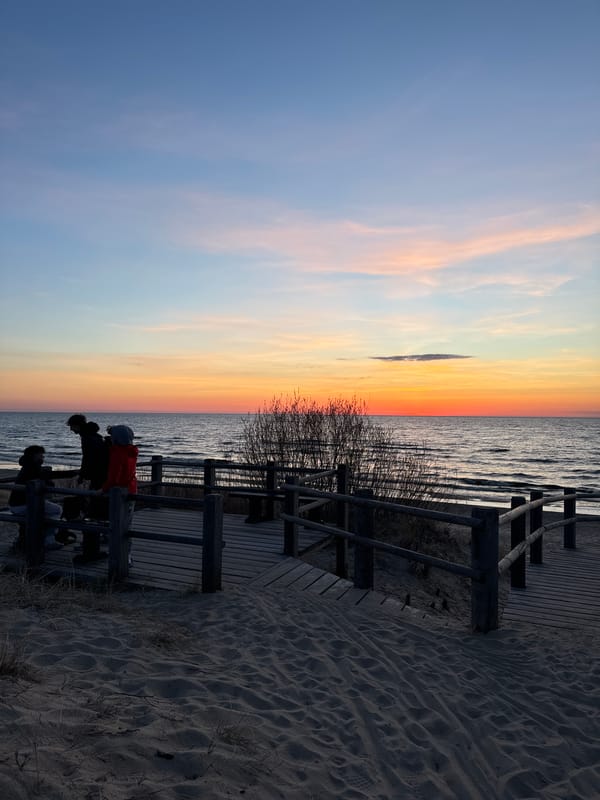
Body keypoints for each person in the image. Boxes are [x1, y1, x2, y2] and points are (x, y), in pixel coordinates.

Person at [9, 445, 62, 552]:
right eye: (41, 455)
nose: (43, 457)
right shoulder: (33, 467)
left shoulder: (27, 465)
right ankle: (49, 540)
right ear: (34, 455)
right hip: (24, 504)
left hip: (15, 504)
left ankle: (29, 539)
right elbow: (47, 476)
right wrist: (75, 473)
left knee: (46, 512)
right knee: (57, 510)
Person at [101, 425, 139, 566]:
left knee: (117, 523)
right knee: (127, 523)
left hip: (119, 493)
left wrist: (103, 489)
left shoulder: (118, 453)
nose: (111, 439)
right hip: (131, 490)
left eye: (112, 437)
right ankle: (126, 554)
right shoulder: (132, 452)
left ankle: (121, 555)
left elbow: (113, 478)